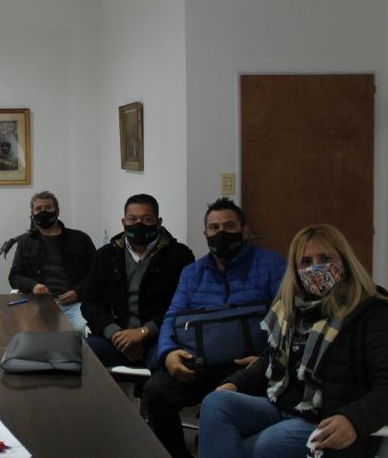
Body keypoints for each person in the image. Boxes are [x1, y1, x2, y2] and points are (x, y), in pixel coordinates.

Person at [198, 224, 388, 458]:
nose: (315, 267)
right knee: (215, 403)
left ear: (345, 260)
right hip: (281, 405)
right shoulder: (293, 308)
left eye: (325, 258)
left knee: (251, 448)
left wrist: (354, 419)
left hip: (326, 420)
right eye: (306, 261)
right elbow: (270, 360)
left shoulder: (371, 311)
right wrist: (234, 384)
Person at [142, 197, 286, 458]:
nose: (221, 233)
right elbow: (172, 317)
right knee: (155, 391)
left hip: (251, 368)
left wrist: (266, 361)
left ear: (245, 231)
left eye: (229, 226)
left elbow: (288, 322)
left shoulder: (273, 266)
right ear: (205, 234)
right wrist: (168, 353)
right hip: (201, 366)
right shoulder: (191, 273)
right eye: (214, 228)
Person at [80, 194, 194, 370]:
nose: (138, 224)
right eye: (132, 219)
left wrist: (144, 332)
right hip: (114, 338)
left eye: (146, 219)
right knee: (82, 356)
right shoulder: (105, 255)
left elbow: (184, 305)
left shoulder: (180, 255)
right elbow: (90, 302)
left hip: (159, 339)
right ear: (123, 222)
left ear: (158, 222)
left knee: (169, 365)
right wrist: (116, 335)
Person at [8, 191, 95, 333]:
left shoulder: (80, 239)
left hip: (73, 303)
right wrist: (33, 285)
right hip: (37, 303)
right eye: (38, 209)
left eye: (48, 208)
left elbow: (95, 274)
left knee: (83, 330)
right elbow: (14, 276)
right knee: (30, 332)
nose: (43, 212)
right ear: (32, 214)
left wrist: (77, 292)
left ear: (57, 211)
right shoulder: (25, 241)